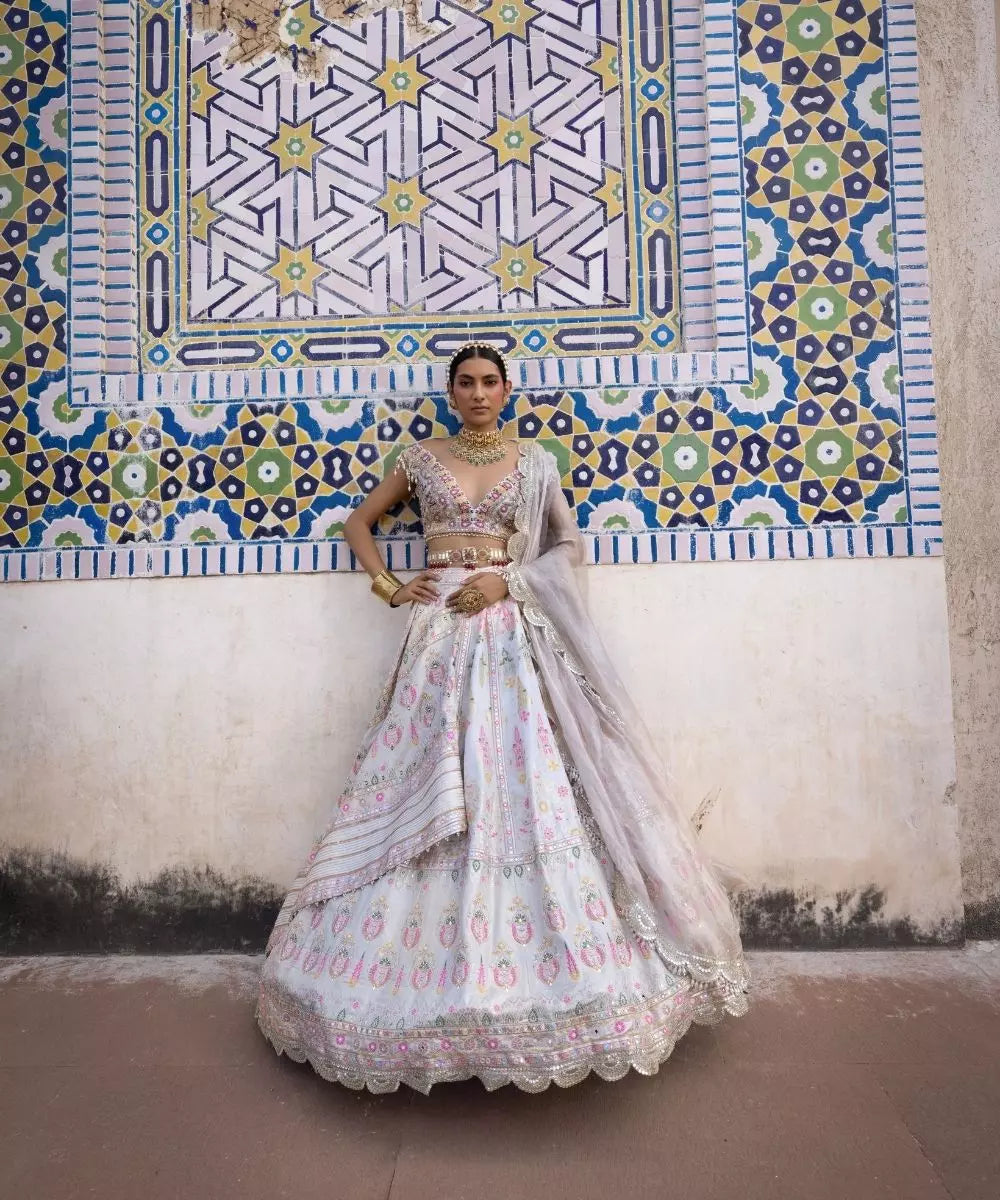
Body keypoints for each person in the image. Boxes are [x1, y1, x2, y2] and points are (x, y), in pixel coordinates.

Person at [255, 343, 750, 1093]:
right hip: (436, 641)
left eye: (490, 382)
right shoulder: (419, 459)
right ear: (451, 392)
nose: (479, 393)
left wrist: (506, 581)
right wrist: (391, 586)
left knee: (528, 781)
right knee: (416, 779)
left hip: (512, 633)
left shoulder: (536, 461)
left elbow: (568, 546)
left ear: (507, 389)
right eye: (466, 383)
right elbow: (359, 523)